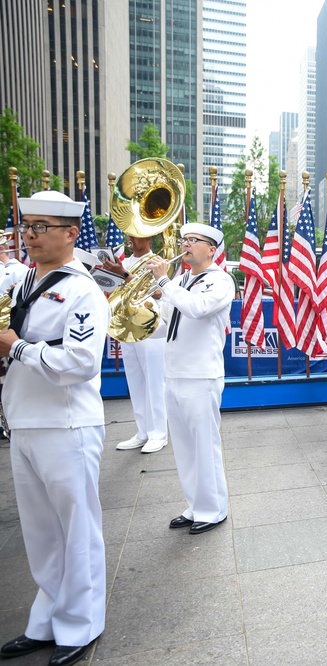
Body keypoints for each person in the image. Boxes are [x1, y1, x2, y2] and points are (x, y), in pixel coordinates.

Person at [0, 190, 110, 666]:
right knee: (41, 534)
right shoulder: (24, 281)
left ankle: (81, 625)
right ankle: (46, 620)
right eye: (27, 227)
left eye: (41, 227)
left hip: (67, 425)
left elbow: (81, 362)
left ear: (70, 233)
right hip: (24, 421)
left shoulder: (83, 290)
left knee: (76, 529)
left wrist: (16, 347)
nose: (30, 235)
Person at [147, 222, 235, 535]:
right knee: (184, 447)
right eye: (184, 240)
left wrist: (164, 284)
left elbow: (197, 309)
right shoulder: (182, 279)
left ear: (211, 249)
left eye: (193, 240)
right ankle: (195, 505)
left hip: (201, 375)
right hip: (174, 373)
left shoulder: (220, 280)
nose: (185, 245)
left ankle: (213, 510)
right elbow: (166, 324)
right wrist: (139, 317)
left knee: (204, 445)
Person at [102, 235, 170, 454]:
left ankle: (159, 433)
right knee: (135, 380)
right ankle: (143, 431)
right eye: (129, 234)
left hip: (151, 327)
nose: (130, 238)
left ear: (148, 236)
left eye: (136, 234)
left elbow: (159, 292)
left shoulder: (157, 261)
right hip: (126, 325)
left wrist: (123, 274)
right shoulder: (126, 261)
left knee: (154, 381)